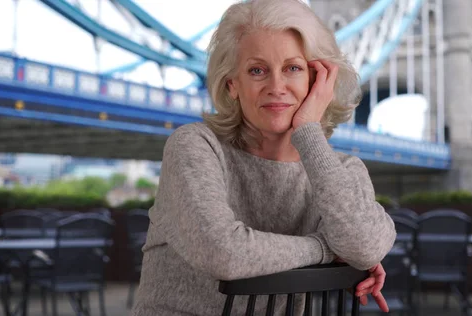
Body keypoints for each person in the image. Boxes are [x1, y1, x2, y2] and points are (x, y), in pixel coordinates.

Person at [131, 0, 396, 315]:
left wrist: (308, 132)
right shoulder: (195, 146)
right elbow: (224, 254)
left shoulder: (341, 171)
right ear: (233, 85)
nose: (276, 86)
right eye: (257, 70)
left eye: (292, 69)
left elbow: (365, 248)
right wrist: (325, 248)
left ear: (319, 81)